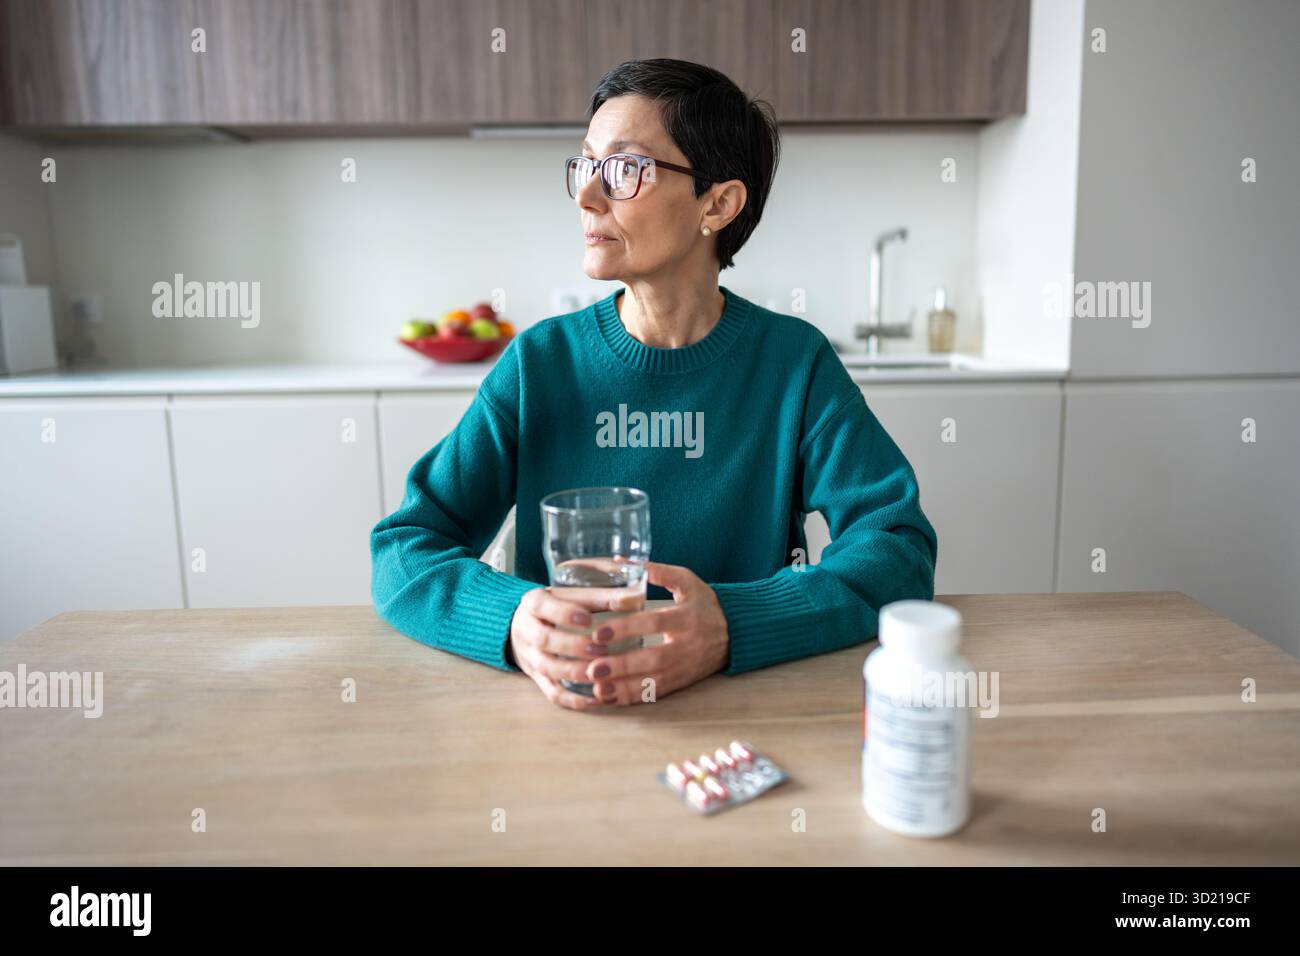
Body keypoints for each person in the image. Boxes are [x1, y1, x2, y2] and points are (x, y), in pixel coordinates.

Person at [371, 58, 938, 710]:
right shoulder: (539, 365)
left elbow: (897, 548)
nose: (588, 194)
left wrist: (735, 623)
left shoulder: (793, 364)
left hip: (745, 709)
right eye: (586, 165)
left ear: (717, 203)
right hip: (564, 714)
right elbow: (404, 549)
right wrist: (511, 617)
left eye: (624, 169)